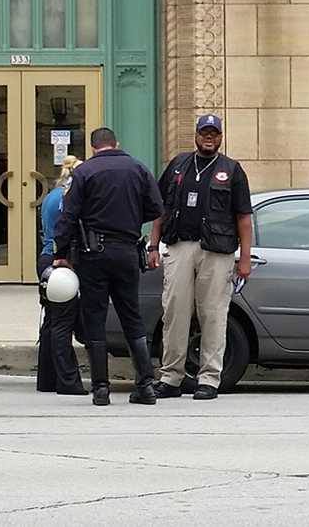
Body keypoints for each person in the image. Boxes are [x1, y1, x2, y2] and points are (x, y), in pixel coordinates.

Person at [52, 128, 164, 406]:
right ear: (117, 144)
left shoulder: (84, 172)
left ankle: (101, 389)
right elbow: (156, 208)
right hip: (127, 250)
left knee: (95, 318)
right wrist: (130, 217)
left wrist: (62, 252)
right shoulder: (138, 168)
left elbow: (68, 215)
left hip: (93, 254)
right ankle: (146, 386)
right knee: (131, 316)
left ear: (92, 148)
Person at [147, 114, 253, 401]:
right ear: (195, 135)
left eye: (214, 133)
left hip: (217, 251)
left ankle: (209, 379)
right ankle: (171, 377)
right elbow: (161, 209)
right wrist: (153, 245)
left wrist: (245, 259)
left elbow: (244, 217)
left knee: (214, 314)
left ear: (220, 137)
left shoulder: (232, 170)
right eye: (204, 132)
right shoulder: (179, 164)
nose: (209, 137)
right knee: (174, 312)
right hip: (180, 246)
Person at [35, 155, 86, 396]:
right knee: (63, 323)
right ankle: (68, 381)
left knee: (51, 321)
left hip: (46, 258)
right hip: (63, 260)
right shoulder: (69, 199)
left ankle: (46, 379)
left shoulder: (51, 197)